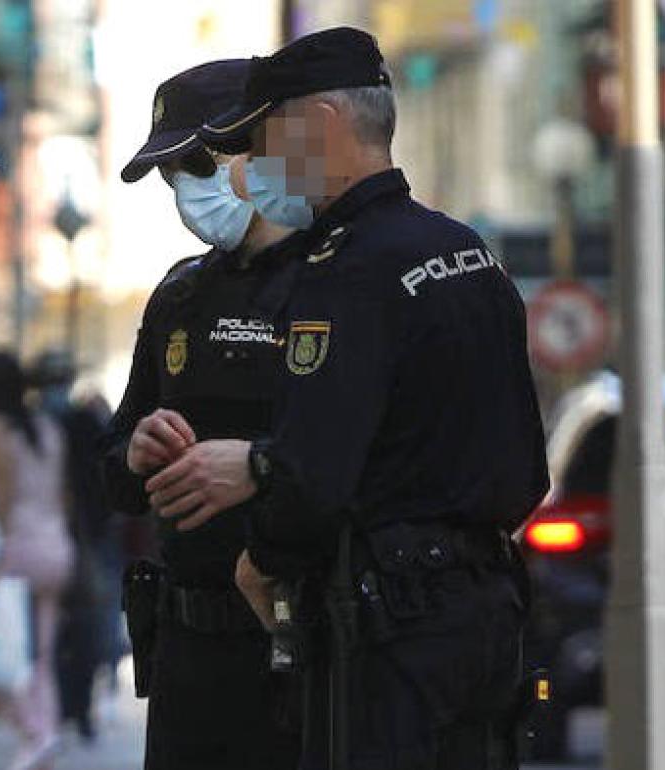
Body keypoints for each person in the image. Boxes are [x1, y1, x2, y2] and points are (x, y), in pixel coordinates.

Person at [148, 27, 549, 770]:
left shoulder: (346, 270)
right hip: (488, 614)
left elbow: (313, 478)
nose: (257, 168)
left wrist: (258, 558)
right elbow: (527, 464)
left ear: (322, 128)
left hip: (390, 630)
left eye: (265, 141)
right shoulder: (466, 252)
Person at [98, 59, 302, 770]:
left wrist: (258, 467)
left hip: (298, 649)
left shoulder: (339, 285)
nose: (183, 186)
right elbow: (112, 470)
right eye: (170, 171)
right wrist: (133, 451)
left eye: (196, 160)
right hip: (189, 650)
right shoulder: (180, 297)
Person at [0, 351, 74, 770]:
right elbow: (62, 494)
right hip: (56, 546)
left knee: (1, 652)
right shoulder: (48, 429)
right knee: (42, 655)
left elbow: (0, 500)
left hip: (17, 547)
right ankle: (45, 735)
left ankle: (34, 732)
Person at [29, 349, 116, 742]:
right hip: (58, 538)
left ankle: (76, 706)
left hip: (84, 538)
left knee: (85, 627)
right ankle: (65, 705)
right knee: (59, 630)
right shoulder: (38, 424)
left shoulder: (80, 424)